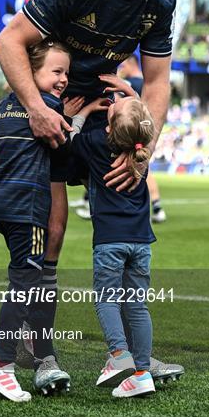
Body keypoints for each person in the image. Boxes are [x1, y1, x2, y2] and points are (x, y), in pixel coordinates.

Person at [0, 0, 184, 382]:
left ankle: (135, 358)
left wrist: (144, 151)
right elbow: (9, 42)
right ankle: (40, 354)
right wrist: (38, 110)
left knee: (127, 219)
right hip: (51, 109)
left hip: (101, 114)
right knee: (52, 233)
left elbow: (157, 82)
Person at [0, 39, 107, 402]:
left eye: (66, 72)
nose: (64, 79)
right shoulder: (46, 106)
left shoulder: (5, 106)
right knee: (27, 284)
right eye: (56, 71)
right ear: (31, 73)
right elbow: (65, 145)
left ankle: (28, 353)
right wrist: (78, 117)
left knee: (24, 276)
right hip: (26, 209)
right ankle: (0, 362)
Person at [70, 95, 158, 398]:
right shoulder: (142, 154)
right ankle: (142, 373)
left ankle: (119, 355)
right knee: (137, 306)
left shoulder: (96, 142)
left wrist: (84, 110)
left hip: (110, 241)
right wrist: (129, 96)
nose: (114, 101)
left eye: (114, 107)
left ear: (109, 128)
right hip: (142, 244)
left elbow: (70, 138)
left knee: (107, 300)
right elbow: (145, 124)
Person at [75, 54, 167, 223]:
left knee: (107, 168)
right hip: (136, 138)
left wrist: (84, 111)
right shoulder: (140, 87)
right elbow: (141, 113)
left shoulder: (133, 84)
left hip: (125, 136)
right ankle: (156, 206)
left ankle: (92, 203)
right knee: (140, 170)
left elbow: (134, 111)